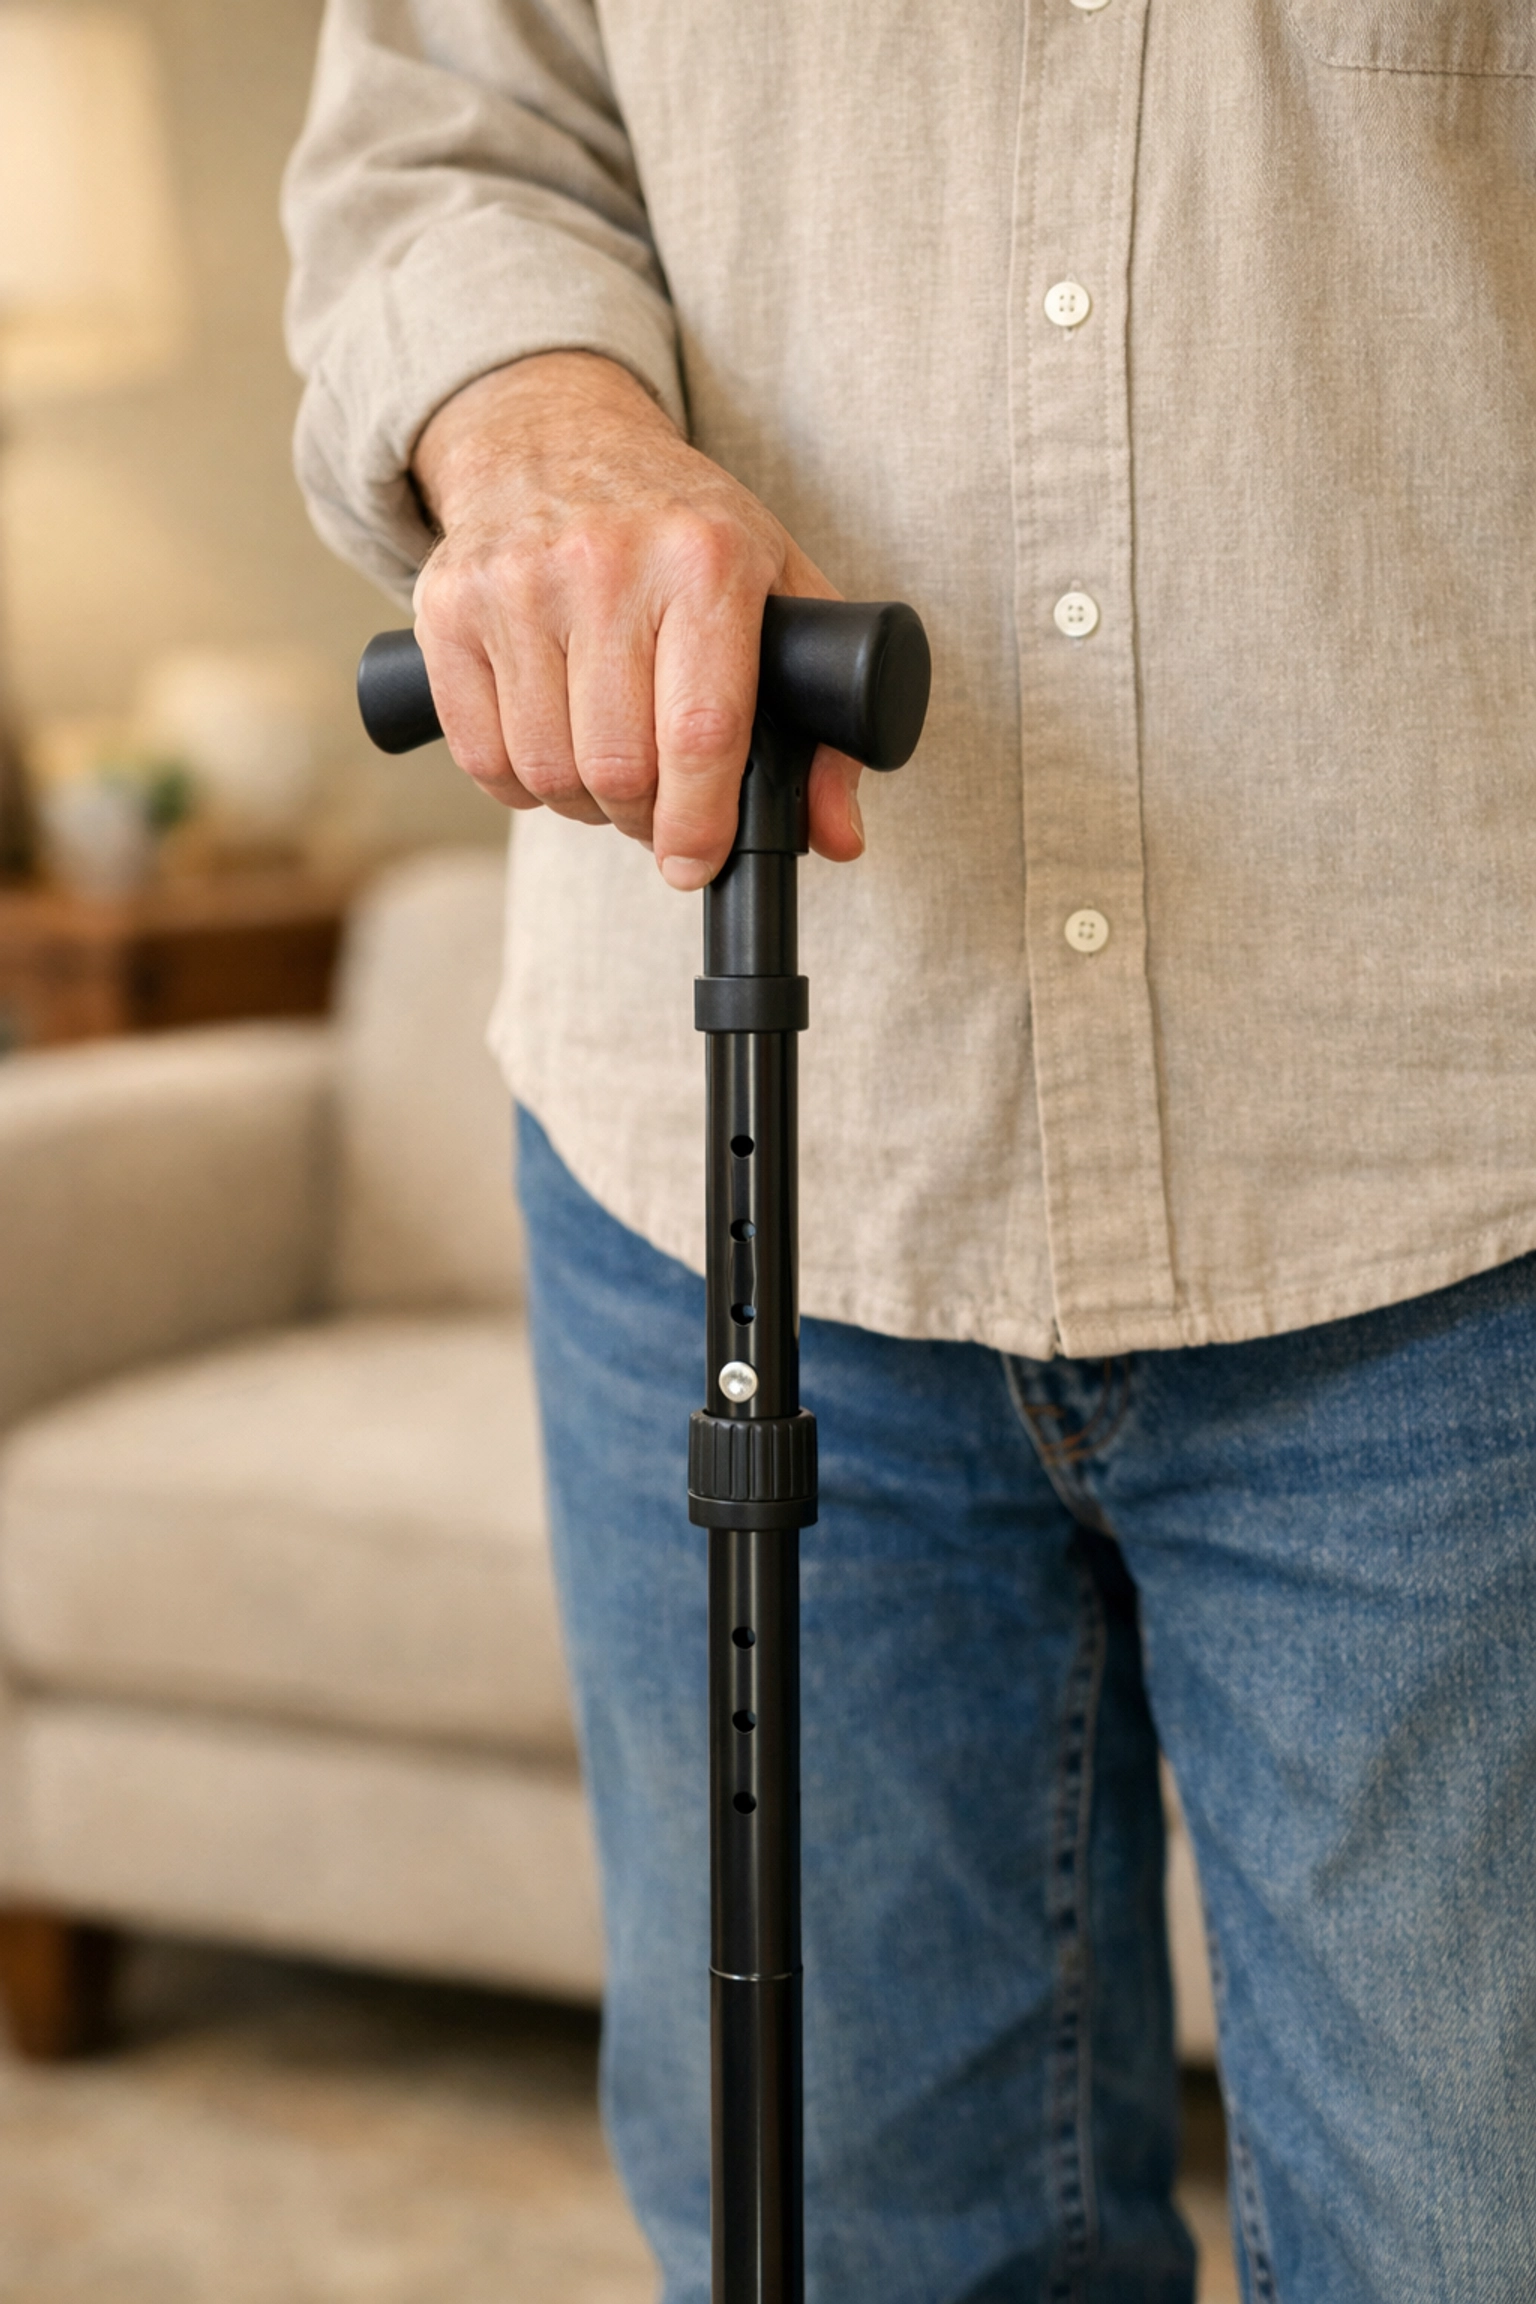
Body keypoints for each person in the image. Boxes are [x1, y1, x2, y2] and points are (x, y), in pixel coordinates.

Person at [283, 6, 1536, 2297]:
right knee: (860, 2248)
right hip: (747, 1163)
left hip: (1456, 1156)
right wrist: (542, 428)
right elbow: (451, 127)